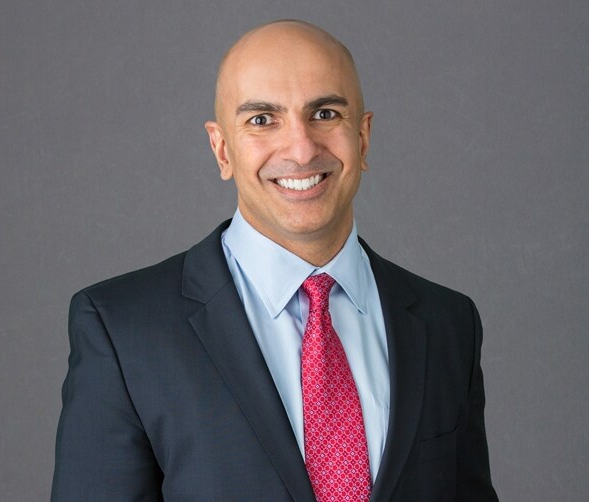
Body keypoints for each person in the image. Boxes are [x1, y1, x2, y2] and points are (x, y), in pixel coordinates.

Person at [51, 19, 498, 501]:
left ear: (363, 137)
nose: (302, 149)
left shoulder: (448, 324)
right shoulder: (123, 331)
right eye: (262, 120)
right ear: (222, 149)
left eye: (325, 113)